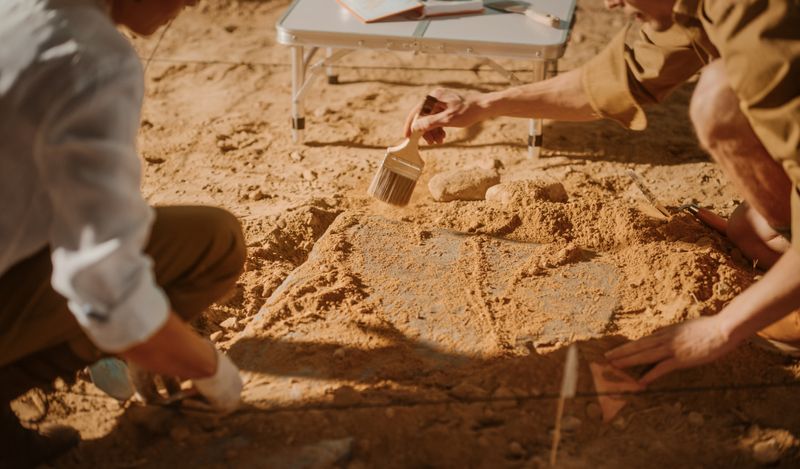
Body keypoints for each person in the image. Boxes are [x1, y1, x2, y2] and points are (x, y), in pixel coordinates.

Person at [404, 0, 800, 384]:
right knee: (749, 229)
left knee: (719, 95)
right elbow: (615, 77)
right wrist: (483, 103)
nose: (609, 3)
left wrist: (722, 329)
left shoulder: (762, 26)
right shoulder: (697, 7)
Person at [0, 0, 247, 466]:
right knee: (214, 242)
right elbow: (103, 284)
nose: (194, 2)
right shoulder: (89, 54)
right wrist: (209, 370)